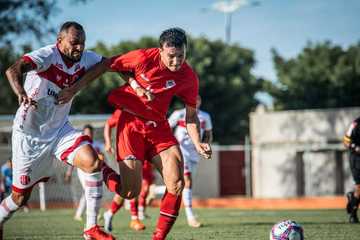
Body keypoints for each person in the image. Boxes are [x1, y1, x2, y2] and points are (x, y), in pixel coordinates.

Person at [57, 27, 212, 240]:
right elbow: (106, 64)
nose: (176, 62)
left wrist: (197, 142)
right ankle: (100, 168)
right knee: (129, 192)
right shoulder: (141, 58)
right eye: (171, 56)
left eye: (181, 56)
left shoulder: (188, 77)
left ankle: (158, 238)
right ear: (160, 51)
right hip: (131, 126)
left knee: (176, 183)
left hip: (159, 127)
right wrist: (74, 89)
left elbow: (191, 116)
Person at [2, 21, 115, 239]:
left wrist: (75, 88)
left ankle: (91, 228)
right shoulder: (46, 56)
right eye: (74, 43)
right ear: (59, 41)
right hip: (29, 136)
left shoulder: (84, 58)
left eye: (82, 43)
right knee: (19, 199)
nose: (79, 48)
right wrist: (21, 92)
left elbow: (106, 65)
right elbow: (13, 69)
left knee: (91, 160)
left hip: (60, 130)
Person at [102, 109, 152, 232]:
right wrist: (108, 143)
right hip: (127, 152)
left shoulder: (148, 109)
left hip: (142, 153)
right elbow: (108, 123)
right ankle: (135, 218)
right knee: (133, 188)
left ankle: (110, 213)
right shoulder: (123, 109)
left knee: (126, 189)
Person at [168, 95, 213, 227]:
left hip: (195, 153)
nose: (196, 102)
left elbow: (208, 134)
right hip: (181, 150)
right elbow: (166, 128)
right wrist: (170, 146)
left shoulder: (205, 116)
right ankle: (190, 216)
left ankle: (157, 190)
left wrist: (206, 146)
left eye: (198, 100)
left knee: (183, 183)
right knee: (187, 181)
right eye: (193, 99)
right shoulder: (179, 114)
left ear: (200, 101)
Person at [64, 124, 106, 222]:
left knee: (90, 191)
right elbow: (73, 159)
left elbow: (102, 156)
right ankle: (94, 214)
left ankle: (79, 214)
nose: (89, 134)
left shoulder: (97, 144)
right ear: (84, 133)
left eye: (90, 132)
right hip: (82, 170)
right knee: (89, 190)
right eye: (87, 132)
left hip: (95, 171)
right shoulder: (81, 145)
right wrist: (69, 172)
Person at [344, 117, 360, 223]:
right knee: (359, 186)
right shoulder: (356, 124)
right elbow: (346, 141)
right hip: (356, 158)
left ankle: (352, 198)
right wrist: (355, 147)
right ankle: (353, 215)